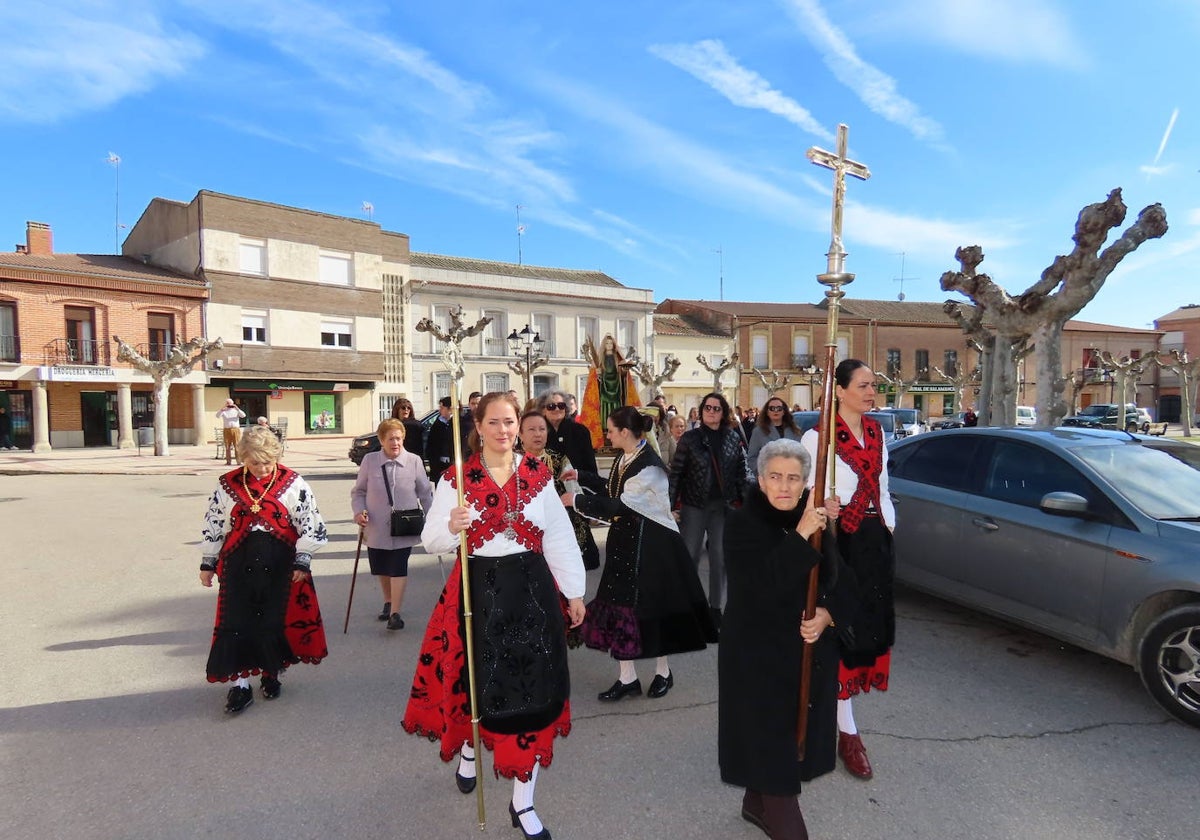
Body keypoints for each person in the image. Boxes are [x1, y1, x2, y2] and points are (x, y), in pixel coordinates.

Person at [403, 393, 586, 840]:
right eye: (495, 423)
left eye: (511, 422)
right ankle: (470, 748)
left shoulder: (538, 475)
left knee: (534, 693)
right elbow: (430, 541)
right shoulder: (458, 479)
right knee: (477, 683)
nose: (504, 430)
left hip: (533, 593)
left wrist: (575, 592)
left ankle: (523, 803)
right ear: (479, 427)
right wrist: (452, 525)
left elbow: (559, 535)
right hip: (477, 596)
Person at [721, 439, 840, 840]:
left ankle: (756, 802)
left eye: (794, 478)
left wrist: (827, 615)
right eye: (775, 477)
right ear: (760, 480)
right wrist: (800, 536)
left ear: (806, 482)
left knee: (787, 739)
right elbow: (758, 588)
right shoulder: (741, 524)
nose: (785, 486)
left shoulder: (817, 521)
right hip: (756, 657)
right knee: (773, 746)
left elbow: (843, 582)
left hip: (805, 653)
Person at [564, 407, 716, 702]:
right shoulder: (627, 456)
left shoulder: (650, 467)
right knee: (619, 608)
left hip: (653, 547)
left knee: (652, 611)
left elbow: (620, 505)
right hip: (626, 545)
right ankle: (627, 678)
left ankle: (663, 672)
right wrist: (582, 476)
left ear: (624, 432)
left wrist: (576, 500)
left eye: (610, 430)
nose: (607, 435)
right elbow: (613, 489)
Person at [800, 359, 896, 781]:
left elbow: (885, 485)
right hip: (840, 543)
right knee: (840, 629)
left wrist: (890, 525)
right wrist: (823, 507)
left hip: (875, 540)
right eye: (862, 384)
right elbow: (804, 496)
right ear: (838, 390)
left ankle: (842, 723)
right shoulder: (816, 437)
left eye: (874, 384)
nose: (871, 391)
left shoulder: (877, 432)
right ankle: (847, 732)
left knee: (864, 630)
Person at [199, 426, 328, 713]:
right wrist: (208, 563)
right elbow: (215, 523)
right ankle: (240, 684)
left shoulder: (294, 483)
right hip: (238, 561)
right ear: (244, 458)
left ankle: (270, 672)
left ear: (276, 457)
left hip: (279, 561)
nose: (260, 469)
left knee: (272, 620)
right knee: (238, 622)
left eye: (267, 462)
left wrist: (303, 559)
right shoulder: (227, 485)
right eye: (254, 462)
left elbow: (310, 522)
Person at [668, 391, 747, 627]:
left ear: (724, 412)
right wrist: (668, 507)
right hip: (694, 505)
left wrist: (746, 504)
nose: (711, 412)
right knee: (690, 555)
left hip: (722, 507)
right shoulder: (690, 438)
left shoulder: (733, 438)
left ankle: (715, 608)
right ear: (702, 411)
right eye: (707, 408)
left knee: (719, 558)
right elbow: (677, 474)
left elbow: (741, 473)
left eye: (716, 408)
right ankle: (688, 605)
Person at [351, 419, 433, 630]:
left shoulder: (414, 461)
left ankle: (395, 614)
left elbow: (425, 493)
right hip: (376, 525)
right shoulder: (370, 461)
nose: (395, 443)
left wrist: (433, 518)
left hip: (404, 525)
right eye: (390, 439)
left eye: (398, 438)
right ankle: (388, 601)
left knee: (398, 567)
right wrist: (359, 512)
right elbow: (358, 491)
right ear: (381, 440)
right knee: (382, 568)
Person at [519, 410, 600, 570]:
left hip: (559, 522)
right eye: (531, 430)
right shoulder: (513, 462)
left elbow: (573, 489)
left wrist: (587, 509)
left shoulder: (558, 459)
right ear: (520, 434)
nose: (538, 434)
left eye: (542, 429)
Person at [581, 334, 641, 449]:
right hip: (604, 389)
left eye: (611, 343)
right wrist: (597, 373)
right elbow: (594, 377)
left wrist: (624, 372)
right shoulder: (600, 359)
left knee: (616, 408)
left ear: (614, 345)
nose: (609, 345)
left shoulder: (617, 359)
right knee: (605, 409)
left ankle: (616, 429)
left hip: (616, 388)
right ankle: (605, 432)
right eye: (607, 343)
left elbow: (623, 374)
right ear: (604, 345)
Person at [539, 390, 600, 484]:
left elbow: (591, 469)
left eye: (561, 406)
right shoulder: (538, 432)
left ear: (566, 408)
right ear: (543, 410)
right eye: (551, 406)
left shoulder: (580, 431)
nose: (556, 409)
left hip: (576, 487)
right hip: (545, 487)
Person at [746, 397, 804, 480]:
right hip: (769, 479)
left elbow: (801, 454)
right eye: (772, 408)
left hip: (791, 478)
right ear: (767, 412)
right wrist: (763, 473)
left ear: (784, 411)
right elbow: (752, 458)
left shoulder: (795, 430)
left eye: (779, 408)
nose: (775, 411)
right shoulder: (758, 432)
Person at [425, 396, 456, 481]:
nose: (440, 410)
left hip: (454, 463)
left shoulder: (458, 423)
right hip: (439, 464)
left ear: (450, 409)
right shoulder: (437, 424)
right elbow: (431, 445)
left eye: (442, 408)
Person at [390, 397, 426, 465]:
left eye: (408, 408)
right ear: (397, 409)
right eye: (403, 408)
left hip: (413, 458)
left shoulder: (415, 424)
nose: (406, 410)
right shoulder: (391, 424)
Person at [216, 398, 246, 466]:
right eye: (227, 403)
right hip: (227, 429)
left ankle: (239, 461)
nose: (229, 405)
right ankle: (228, 461)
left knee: (237, 446)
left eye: (230, 404)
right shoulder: (224, 411)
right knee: (227, 446)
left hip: (235, 429)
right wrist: (222, 409)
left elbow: (243, 415)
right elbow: (217, 416)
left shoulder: (236, 410)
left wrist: (237, 408)